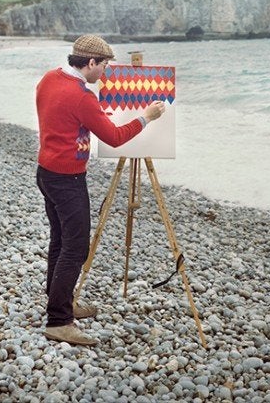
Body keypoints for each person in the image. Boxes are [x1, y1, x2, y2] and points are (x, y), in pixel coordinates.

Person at [36, 34, 165, 346]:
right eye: (105, 65)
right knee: (76, 248)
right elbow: (115, 137)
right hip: (68, 178)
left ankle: (60, 303)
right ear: (90, 62)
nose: (106, 73)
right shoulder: (81, 96)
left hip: (46, 171)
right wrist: (146, 117)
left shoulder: (49, 79)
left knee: (60, 241)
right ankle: (58, 321)